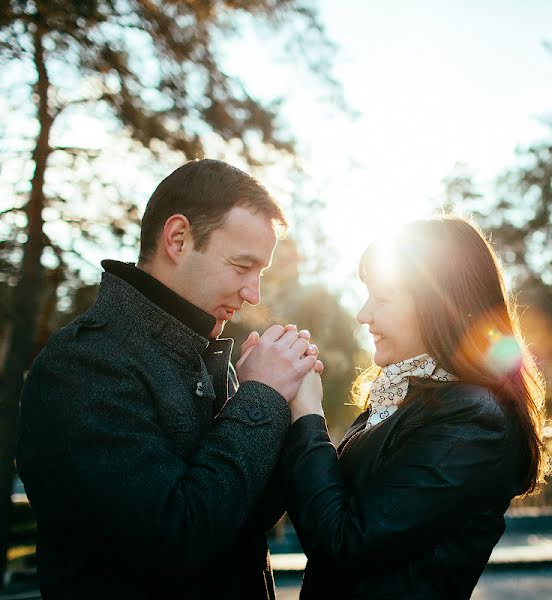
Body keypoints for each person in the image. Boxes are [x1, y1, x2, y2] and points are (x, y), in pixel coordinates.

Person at [16, 159, 322, 599]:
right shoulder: (82, 364)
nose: (254, 293)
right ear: (177, 238)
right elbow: (173, 539)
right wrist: (259, 396)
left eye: (260, 273)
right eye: (241, 266)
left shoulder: (204, 357)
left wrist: (286, 409)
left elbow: (239, 517)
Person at [278, 215, 551, 599]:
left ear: (441, 306)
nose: (364, 315)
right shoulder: (403, 396)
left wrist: (307, 414)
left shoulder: (474, 421)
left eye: (383, 297)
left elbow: (344, 544)